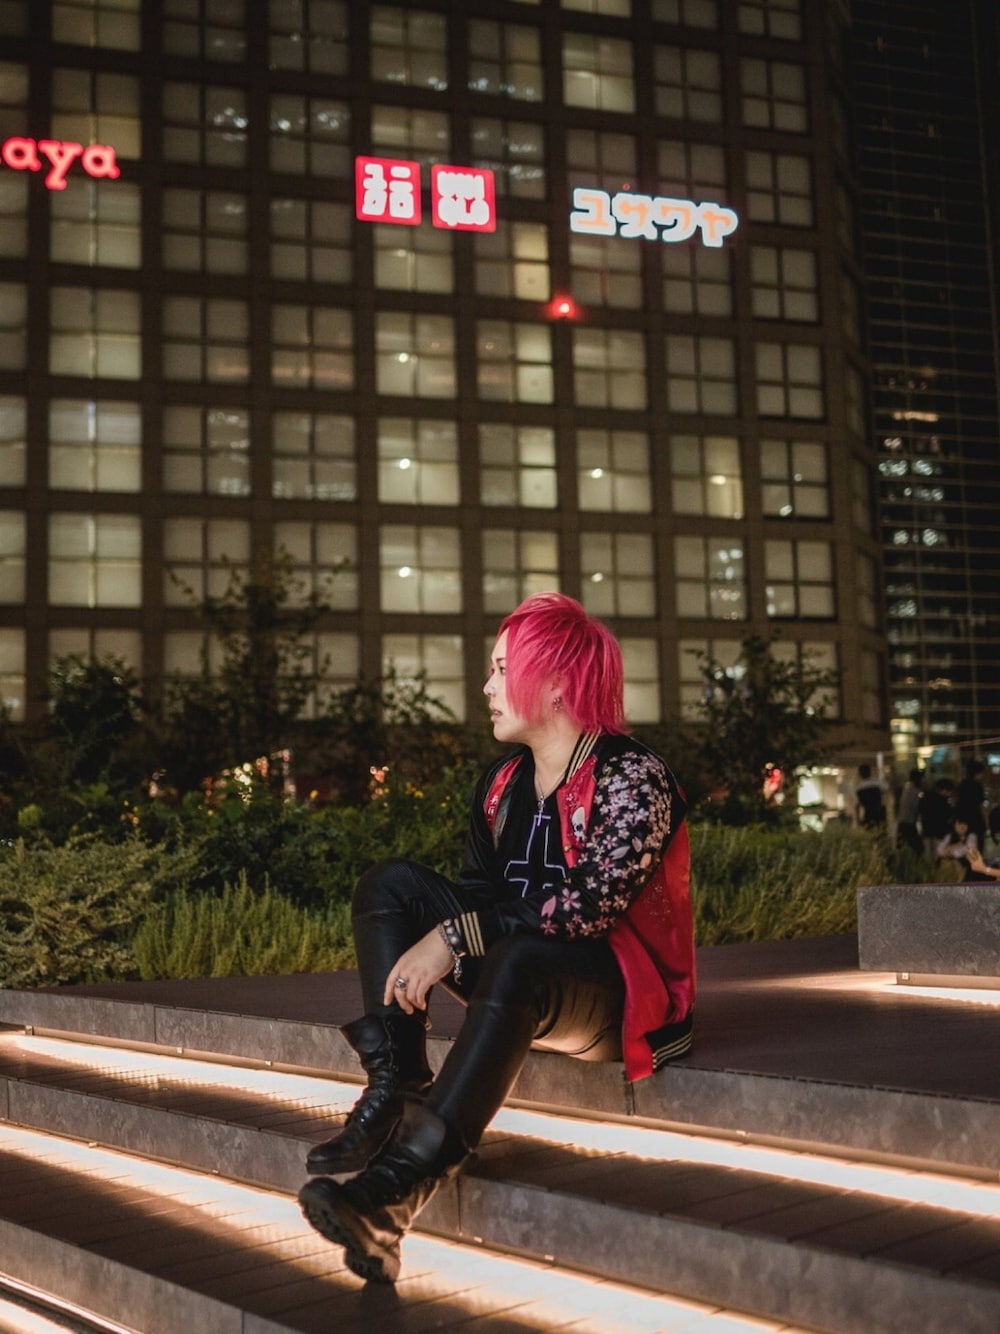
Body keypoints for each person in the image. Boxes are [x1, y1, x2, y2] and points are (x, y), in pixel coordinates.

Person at [297, 593, 694, 1284]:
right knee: (389, 884)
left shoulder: (633, 777)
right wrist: (452, 930)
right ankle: (396, 1082)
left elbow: (590, 908)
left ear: (558, 681)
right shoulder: (502, 784)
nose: (486, 686)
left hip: (616, 999)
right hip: (519, 976)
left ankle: (392, 1196)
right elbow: (480, 892)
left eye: (502, 669)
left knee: (521, 955)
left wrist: (454, 937)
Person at [936, 815, 980, 881]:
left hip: (965, 867)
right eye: (959, 824)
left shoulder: (971, 836)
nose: (962, 827)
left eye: (964, 824)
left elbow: (965, 851)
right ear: (954, 825)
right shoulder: (949, 836)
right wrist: (956, 845)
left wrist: (949, 850)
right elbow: (939, 851)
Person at [919, 777, 954, 861]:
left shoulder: (926, 796)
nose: (949, 794)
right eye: (948, 791)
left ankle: (928, 869)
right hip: (939, 832)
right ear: (944, 789)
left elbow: (920, 810)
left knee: (927, 856)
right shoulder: (943, 801)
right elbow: (948, 815)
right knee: (937, 856)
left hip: (927, 830)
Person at [955, 759, 988, 846]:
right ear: (978, 773)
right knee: (977, 844)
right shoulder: (977, 786)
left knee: (965, 844)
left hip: (963, 819)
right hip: (976, 819)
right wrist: (986, 819)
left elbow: (958, 801)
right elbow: (980, 805)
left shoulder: (962, 784)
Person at [895, 768, 923, 854]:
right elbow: (916, 807)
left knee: (902, 848)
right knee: (918, 848)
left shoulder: (906, 789)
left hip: (903, 822)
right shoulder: (914, 791)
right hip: (908, 823)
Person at [855, 763, 887, 827]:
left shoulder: (859, 788)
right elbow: (887, 788)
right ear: (870, 772)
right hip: (880, 814)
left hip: (868, 816)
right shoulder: (878, 783)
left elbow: (857, 805)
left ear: (860, 774)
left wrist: (858, 821)